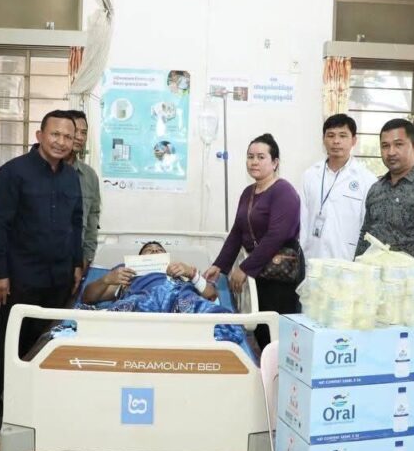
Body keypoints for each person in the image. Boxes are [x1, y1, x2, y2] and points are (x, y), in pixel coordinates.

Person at [0, 110, 84, 434]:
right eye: (55, 134)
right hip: (22, 276)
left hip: (59, 278)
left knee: (48, 343)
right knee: (11, 342)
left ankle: (38, 403)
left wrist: (77, 264)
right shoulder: (14, 172)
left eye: (67, 136)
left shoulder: (71, 177)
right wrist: (0, 273)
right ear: (40, 135)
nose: (61, 142)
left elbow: (76, 224)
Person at [205, 133, 301, 349]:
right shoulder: (248, 192)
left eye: (261, 157)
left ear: (275, 162)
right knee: (258, 331)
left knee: (275, 335)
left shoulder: (284, 191)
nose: (254, 162)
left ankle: (277, 370)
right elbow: (237, 232)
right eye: (250, 157)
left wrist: (245, 268)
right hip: (257, 273)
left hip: (278, 276)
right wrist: (219, 266)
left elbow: (276, 236)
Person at [355, 118, 414, 292]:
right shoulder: (376, 189)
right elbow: (366, 234)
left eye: (398, 144)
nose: (391, 152)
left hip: (409, 289)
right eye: (385, 146)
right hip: (372, 287)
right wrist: (357, 273)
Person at [298, 113, 377, 261]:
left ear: (354, 140)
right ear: (323, 139)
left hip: (348, 262)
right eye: (331, 135)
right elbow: (302, 221)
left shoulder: (367, 179)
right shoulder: (310, 175)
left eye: (343, 136)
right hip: (313, 259)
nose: (336, 141)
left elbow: (368, 227)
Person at [83, 241, 219, 304]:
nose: (154, 250)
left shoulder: (182, 273)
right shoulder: (127, 278)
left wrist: (192, 275)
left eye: (159, 250)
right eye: (148, 250)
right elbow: (87, 298)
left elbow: (211, 295)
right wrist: (105, 280)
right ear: (138, 258)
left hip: (179, 308)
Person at [65, 110, 101, 272]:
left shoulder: (89, 176)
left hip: (75, 263)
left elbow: (93, 219)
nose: (80, 137)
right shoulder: (41, 172)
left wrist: (86, 257)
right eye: (75, 131)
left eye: (84, 132)